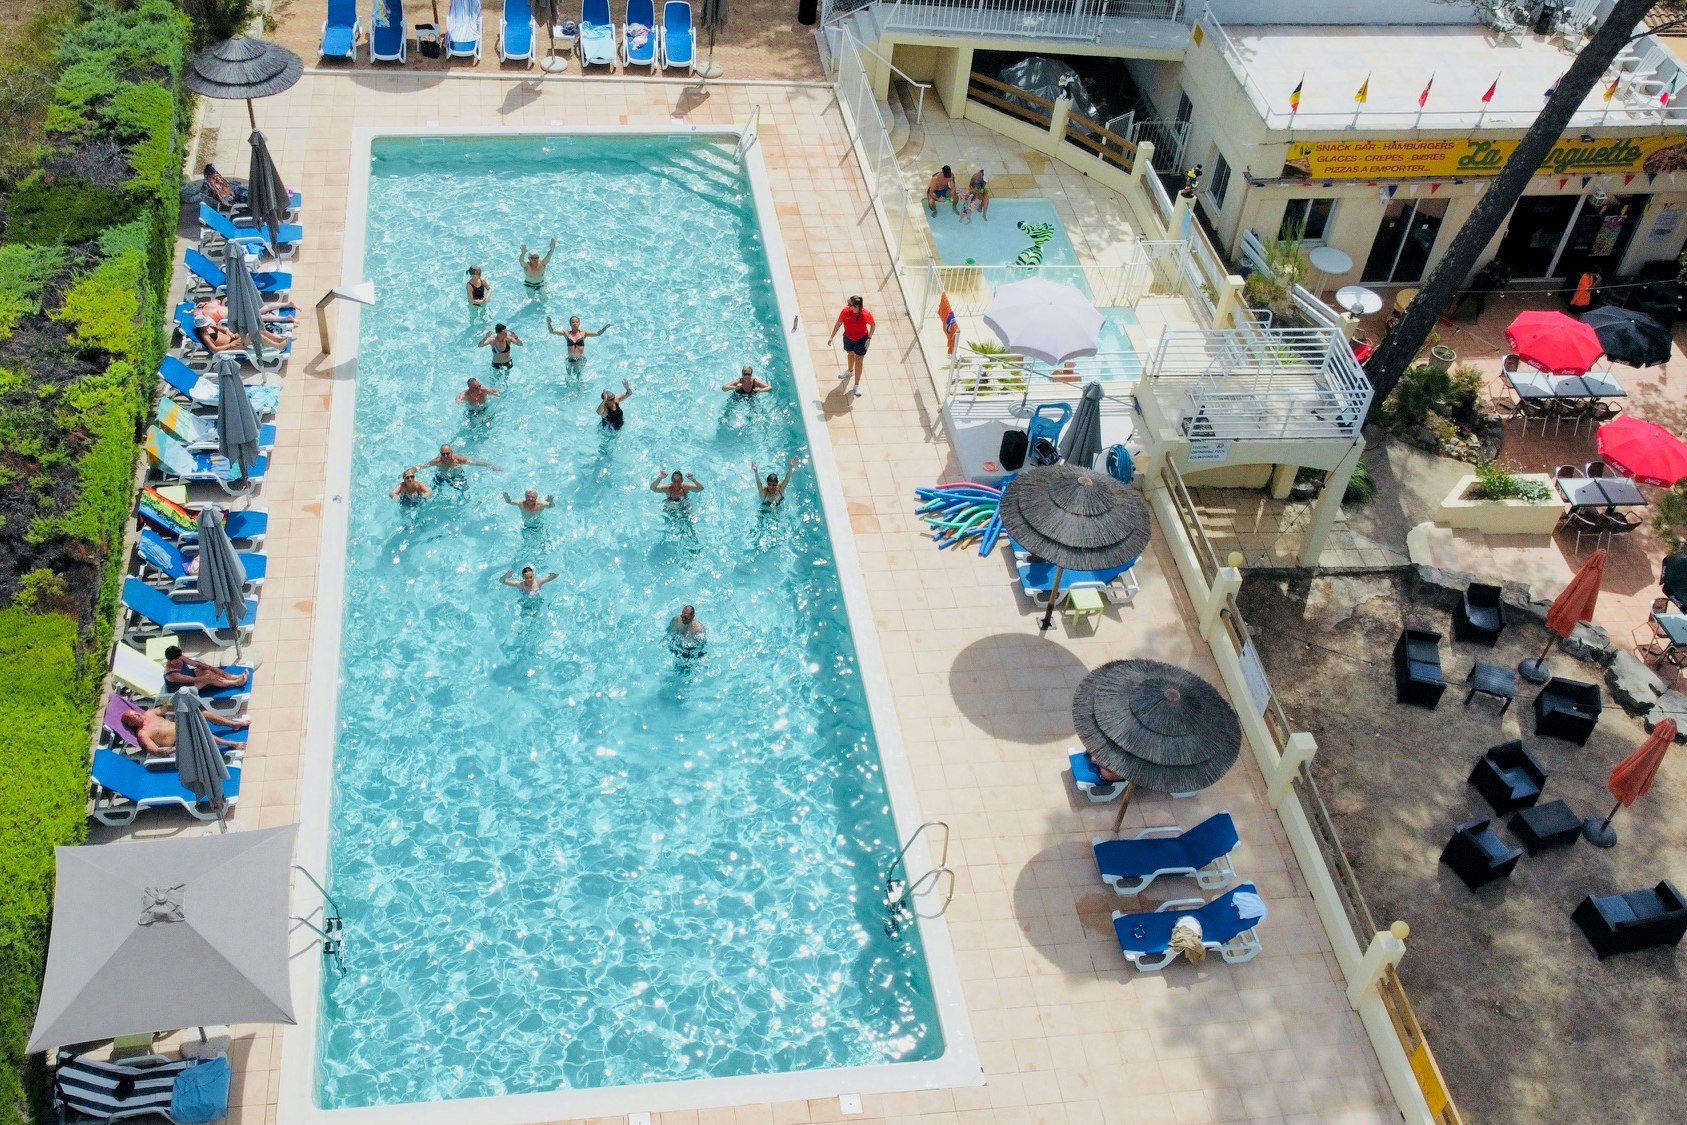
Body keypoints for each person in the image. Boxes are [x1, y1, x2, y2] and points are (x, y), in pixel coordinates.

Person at [120, 705, 247, 755]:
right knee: (198, 734)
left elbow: (166, 708)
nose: (138, 714)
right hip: (178, 741)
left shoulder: (149, 713)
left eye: (136, 713)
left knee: (203, 714)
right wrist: (175, 749)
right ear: (130, 723)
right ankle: (231, 744)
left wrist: (183, 705)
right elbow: (154, 750)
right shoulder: (143, 734)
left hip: (182, 725)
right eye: (134, 716)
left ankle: (232, 724)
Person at [827, 295, 875, 397]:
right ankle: (850, 371)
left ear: (857, 306)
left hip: (862, 340)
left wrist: (869, 338)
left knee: (859, 361)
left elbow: (873, 325)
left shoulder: (865, 314)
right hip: (848, 338)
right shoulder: (845, 311)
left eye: (850, 304)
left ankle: (856, 385)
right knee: (850, 354)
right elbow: (839, 323)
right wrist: (831, 337)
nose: (848, 306)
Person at [163, 646, 249, 690]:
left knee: (208, 671)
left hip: (191, 676)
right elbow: (192, 680)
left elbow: (196, 664)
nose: (179, 661)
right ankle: (236, 682)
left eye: (179, 659)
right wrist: (209, 677)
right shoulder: (171, 674)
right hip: (184, 688)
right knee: (209, 678)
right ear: (169, 660)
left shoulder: (178, 656)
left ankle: (234, 677)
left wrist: (213, 669)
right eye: (176, 661)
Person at [546, 315, 613, 363]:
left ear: (579, 323)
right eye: (573, 322)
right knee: (568, 377)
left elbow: (598, 333)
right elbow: (552, 331)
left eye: (576, 322)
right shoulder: (566, 333)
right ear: (570, 324)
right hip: (570, 360)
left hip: (580, 359)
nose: (575, 323)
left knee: (578, 377)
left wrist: (605, 327)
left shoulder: (584, 333)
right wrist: (549, 323)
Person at [418, 443, 501, 474]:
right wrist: (412, 471)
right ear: (440, 454)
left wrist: (490, 466)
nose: (445, 456)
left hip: (457, 475)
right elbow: (423, 466)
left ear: (452, 452)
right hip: (442, 475)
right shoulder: (437, 461)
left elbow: (474, 462)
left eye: (448, 453)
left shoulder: (458, 459)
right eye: (443, 454)